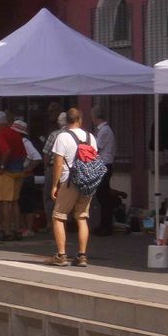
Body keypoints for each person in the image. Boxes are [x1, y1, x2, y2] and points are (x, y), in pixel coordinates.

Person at [47, 107, 98, 267]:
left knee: (58, 216)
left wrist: (55, 185)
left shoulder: (62, 137)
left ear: (67, 121)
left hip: (69, 180)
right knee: (82, 217)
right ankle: (82, 255)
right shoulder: (90, 137)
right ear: (80, 120)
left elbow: (58, 162)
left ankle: (61, 255)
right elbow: (94, 159)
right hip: (87, 181)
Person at [0, 110, 26, 241]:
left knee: (5, 202)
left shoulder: (1, 134)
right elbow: (23, 153)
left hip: (7, 171)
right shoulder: (15, 133)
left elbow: (6, 150)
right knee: (15, 201)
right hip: (18, 169)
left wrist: (2, 166)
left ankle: (7, 231)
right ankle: (17, 230)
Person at [12, 119, 43, 235]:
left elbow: (37, 157)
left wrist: (28, 169)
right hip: (20, 175)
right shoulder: (19, 142)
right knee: (21, 202)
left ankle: (29, 228)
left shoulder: (25, 142)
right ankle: (23, 227)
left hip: (27, 176)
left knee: (28, 203)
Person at [91, 107, 117, 236]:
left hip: (105, 164)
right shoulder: (103, 130)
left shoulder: (104, 130)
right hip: (103, 164)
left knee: (103, 196)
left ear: (96, 117)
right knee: (102, 196)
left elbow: (97, 147)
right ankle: (104, 224)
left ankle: (106, 226)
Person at [41, 111, 67, 230]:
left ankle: (51, 223)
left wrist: (46, 167)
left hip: (54, 167)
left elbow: (46, 153)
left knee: (50, 195)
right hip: (71, 169)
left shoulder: (54, 134)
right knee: (67, 196)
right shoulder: (77, 134)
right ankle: (66, 223)